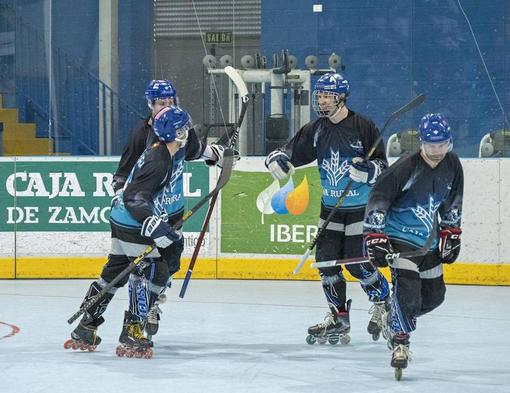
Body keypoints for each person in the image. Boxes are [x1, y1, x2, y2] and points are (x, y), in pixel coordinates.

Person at [66, 106, 231, 357]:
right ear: (175, 133)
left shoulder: (172, 149)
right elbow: (134, 196)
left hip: (122, 220)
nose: (188, 131)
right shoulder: (159, 160)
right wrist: (151, 223)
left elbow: (196, 150)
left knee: (114, 274)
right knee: (150, 272)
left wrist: (220, 153)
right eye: (183, 128)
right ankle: (132, 331)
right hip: (132, 222)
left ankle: (86, 325)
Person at [264, 72, 390, 344]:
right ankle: (339, 316)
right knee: (326, 264)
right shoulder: (317, 128)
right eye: (319, 95)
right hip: (330, 207)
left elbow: (383, 165)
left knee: (357, 265)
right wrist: (278, 158)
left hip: (360, 208)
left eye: (326, 95)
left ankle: (382, 301)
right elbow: (291, 152)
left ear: (341, 98)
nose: (320, 100)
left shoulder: (363, 126)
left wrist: (368, 171)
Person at [111, 79, 229, 338]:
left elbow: (195, 150)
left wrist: (218, 154)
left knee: (168, 266)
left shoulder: (179, 124)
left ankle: (152, 303)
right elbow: (122, 175)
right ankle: (138, 316)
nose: (166, 106)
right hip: (147, 216)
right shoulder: (142, 135)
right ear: (150, 104)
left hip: (173, 212)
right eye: (161, 103)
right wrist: (124, 200)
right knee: (145, 268)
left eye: (170, 101)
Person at [362, 113, 463, 375]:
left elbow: (452, 201)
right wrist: (375, 235)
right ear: (422, 143)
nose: (437, 151)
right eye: (431, 146)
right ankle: (400, 342)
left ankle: (394, 319)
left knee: (433, 297)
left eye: (442, 145)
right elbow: (378, 197)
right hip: (399, 239)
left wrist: (451, 232)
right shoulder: (406, 166)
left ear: (449, 143)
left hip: (427, 243)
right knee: (407, 289)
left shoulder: (452, 164)